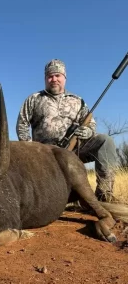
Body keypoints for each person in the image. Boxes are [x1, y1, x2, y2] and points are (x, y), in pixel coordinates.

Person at [16, 59, 118, 202]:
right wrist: (30, 149)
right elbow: (22, 124)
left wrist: (88, 132)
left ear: (64, 78)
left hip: (74, 151)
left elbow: (91, 124)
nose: (54, 79)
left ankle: (104, 196)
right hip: (45, 156)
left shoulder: (78, 101)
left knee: (105, 141)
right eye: (50, 76)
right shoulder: (34, 99)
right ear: (45, 79)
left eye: (58, 75)